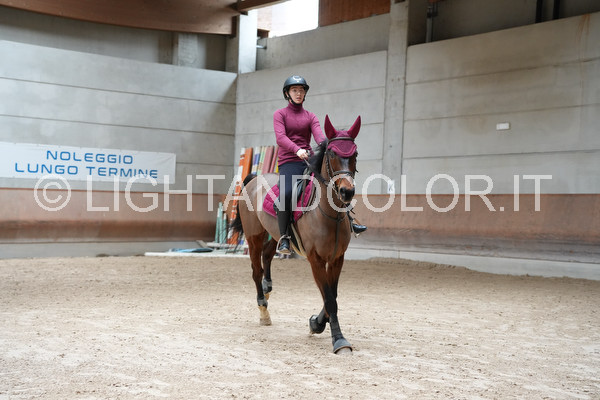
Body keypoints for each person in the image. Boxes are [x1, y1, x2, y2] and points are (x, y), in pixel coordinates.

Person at [273, 75, 367, 255]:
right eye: (295, 90)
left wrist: (329, 145)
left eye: (301, 90)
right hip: (289, 162)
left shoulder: (310, 116)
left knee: (333, 185)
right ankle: (284, 237)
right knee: (286, 194)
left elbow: (320, 137)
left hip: (309, 160)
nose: (298, 93)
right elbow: (281, 138)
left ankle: (350, 220)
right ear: (287, 94)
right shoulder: (280, 114)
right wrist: (296, 150)